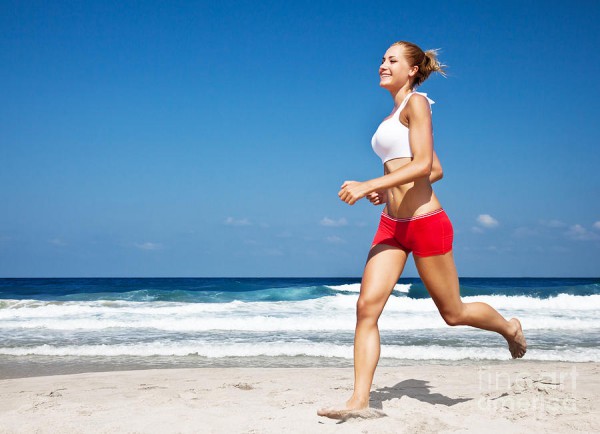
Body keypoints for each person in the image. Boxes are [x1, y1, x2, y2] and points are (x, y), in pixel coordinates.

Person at [317, 40, 527, 419]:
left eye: (391, 60)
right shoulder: (390, 117)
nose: (382, 65)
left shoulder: (417, 103)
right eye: (381, 59)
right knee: (366, 308)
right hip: (391, 227)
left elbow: (425, 163)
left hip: (426, 224)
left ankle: (509, 328)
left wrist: (370, 185)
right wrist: (386, 190)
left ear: (412, 69)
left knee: (453, 313)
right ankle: (359, 401)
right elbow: (434, 169)